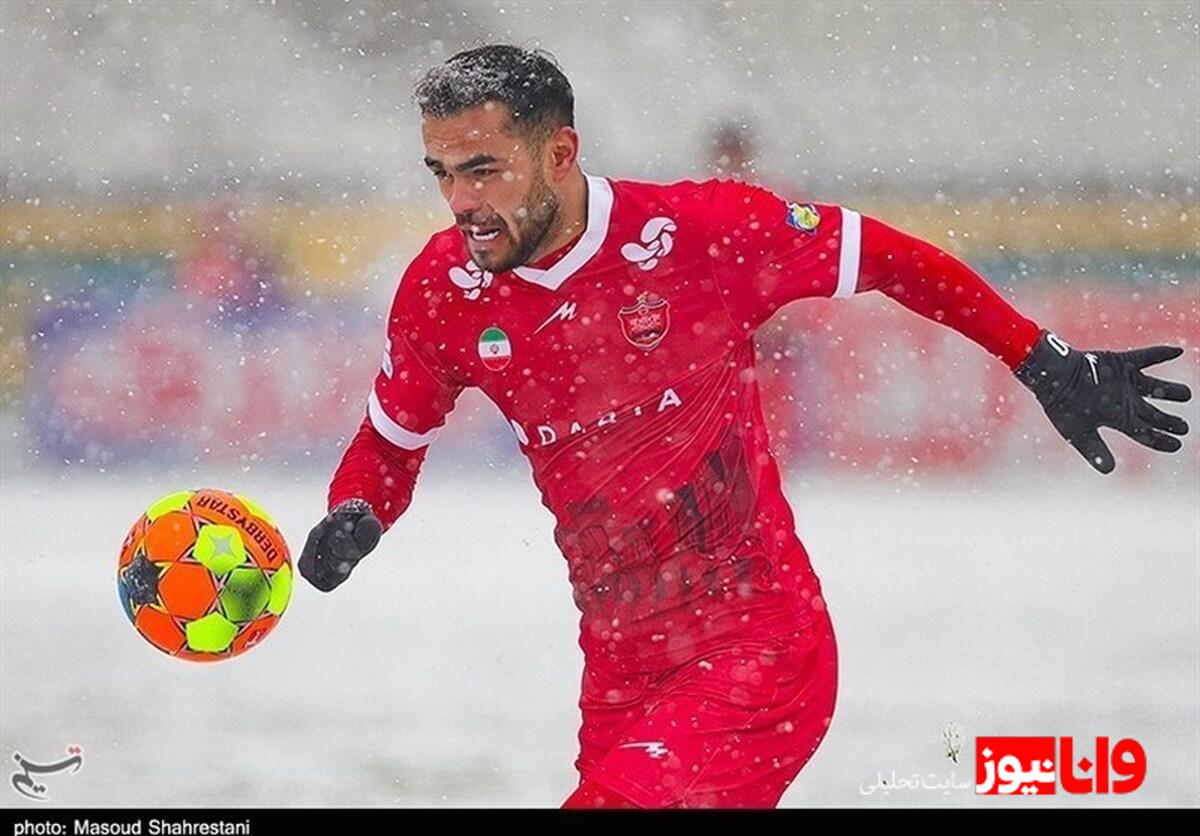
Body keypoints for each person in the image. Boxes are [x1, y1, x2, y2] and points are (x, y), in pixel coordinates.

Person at [297, 45, 1191, 808]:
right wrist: (358, 514)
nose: (460, 201)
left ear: (561, 153)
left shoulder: (698, 230)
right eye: (442, 174)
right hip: (618, 667)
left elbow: (889, 257)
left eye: (483, 169)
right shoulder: (442, 291)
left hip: (758, 650)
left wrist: (1040, 359)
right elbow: (391, 442)